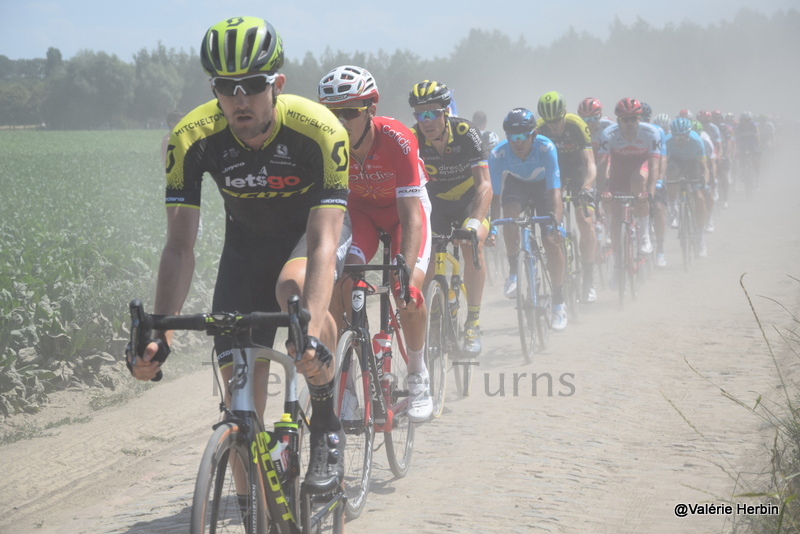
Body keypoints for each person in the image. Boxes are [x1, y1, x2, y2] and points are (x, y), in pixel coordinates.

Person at [126, 16, 351, 496]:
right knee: (241, 403)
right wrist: (160, 329)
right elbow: (179, 247)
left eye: (253, 85)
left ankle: (328, 423)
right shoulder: (192, 138)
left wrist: (308, 332)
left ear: (278, 84)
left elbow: (323, 243)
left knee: (294, 297)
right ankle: (257, 506)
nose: (240, 99)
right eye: (226, 87)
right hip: (245, 252)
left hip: (308, 238)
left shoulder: (319, 129)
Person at [318, 65, 433, 422]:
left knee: (407, 292)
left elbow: (412, 215)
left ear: (371, 108)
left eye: (350, 111)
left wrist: (404, 266)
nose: (340, 120)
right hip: (362, 213)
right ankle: (348, 386)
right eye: (331, 112)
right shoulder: (323, 143)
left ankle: (417, 374)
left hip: (404, 213)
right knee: (341, 279)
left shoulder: (398, 138)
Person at [409, 80, 492, 355]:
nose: (427, 120)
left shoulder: (467, 132)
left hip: (470, 201)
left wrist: (473, 223)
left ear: (446, 111)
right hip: (436, 205)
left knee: (472, 244)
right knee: (429, 253)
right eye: (420, 114)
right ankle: (434, 315)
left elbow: (485, 185)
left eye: (432, 112)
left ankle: (473, 322)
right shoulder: (413, 139)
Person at [488, 108, 567, 331]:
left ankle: (559, 302)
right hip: (518, 186)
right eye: (512, 137)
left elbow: (555, 192)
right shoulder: (497, 155)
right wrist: (493, 229)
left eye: (523, 136)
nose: (517, 142)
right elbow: (494, 198)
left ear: (533, 135)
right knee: (509, 215)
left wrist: (556, 225)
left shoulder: (546, 148)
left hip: (543, 187)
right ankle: (514, 271)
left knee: (551, 241)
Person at [536, 91, 597, 306]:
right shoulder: (539, 128)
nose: (553, 126)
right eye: (549, 121)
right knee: (554, 221)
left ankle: (589, 280)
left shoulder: (577, 125)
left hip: (578, 172)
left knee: (585, 221)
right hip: (556, 174)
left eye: (557, 120)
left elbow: (590, 163)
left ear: (564, 113)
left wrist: (587, 186)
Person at [597, 98, 661, 287]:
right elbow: (601, 168)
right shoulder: (608, 134)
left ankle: (644, 236)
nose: (630, 123)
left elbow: (655, 166)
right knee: (615, 225)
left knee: (638, 182)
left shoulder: (651, 133)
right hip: (619, 170)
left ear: (639, 118)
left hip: (641, 168)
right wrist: (604, 192)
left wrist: (649, 194)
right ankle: (618, 268)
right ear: (618, 120)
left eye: (634, 119)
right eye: (626, 120)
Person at [664, 117, 710, 257]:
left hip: (692, 164)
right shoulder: (667, 141)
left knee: (699, 199)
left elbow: (705, 168)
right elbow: (662, 164)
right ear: (672, 134)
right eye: (677, 136)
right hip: (675, 162)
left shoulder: (697, 142)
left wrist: (705, 184)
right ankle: (673, 210)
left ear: (689, 134)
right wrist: (661, 180)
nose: (680, 139)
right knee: (671, 172)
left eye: (684, 136)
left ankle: (701, 238)